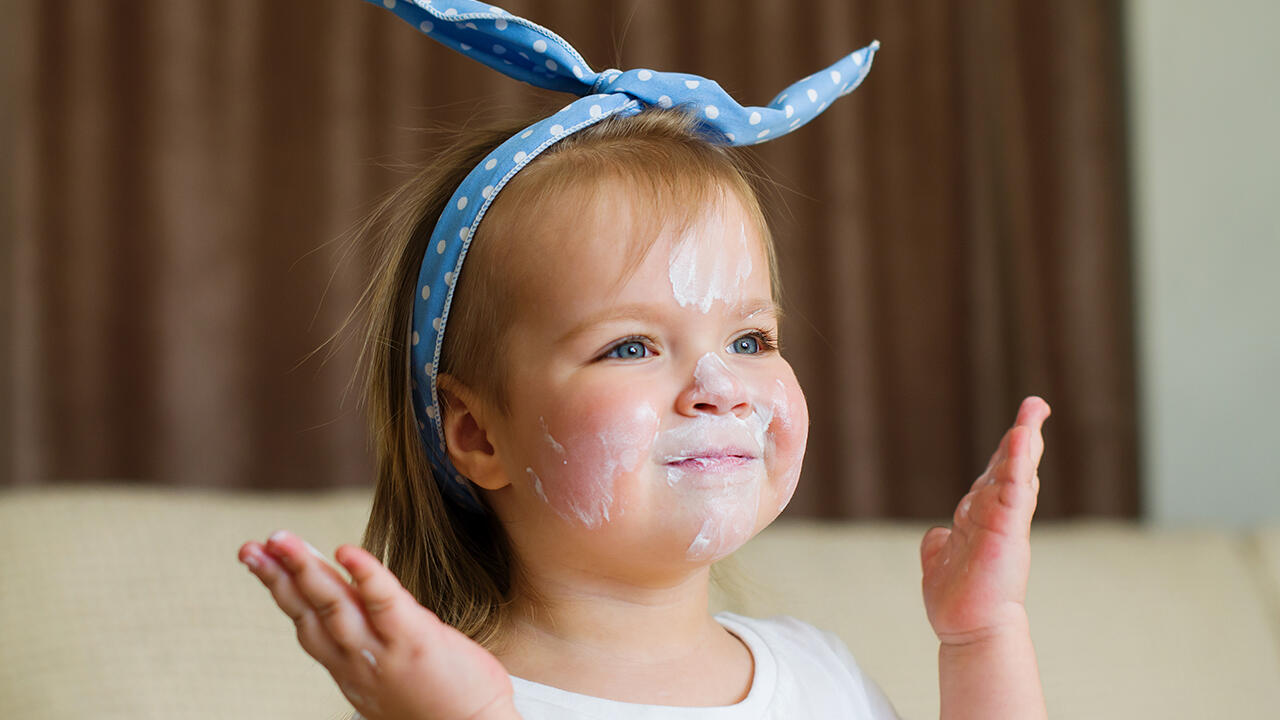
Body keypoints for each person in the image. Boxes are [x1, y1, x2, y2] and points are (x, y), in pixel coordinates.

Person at [237, 2, 1051, 718]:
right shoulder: (440, 699)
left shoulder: (818, 672)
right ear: (479, 434)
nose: (719, 387)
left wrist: (982, 637)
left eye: (750, 340)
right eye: (631, 346)